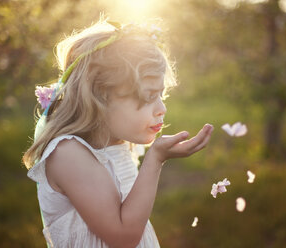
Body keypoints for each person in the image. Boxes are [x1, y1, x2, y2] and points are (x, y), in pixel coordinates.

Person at [22, 18, 213, 248]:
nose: (162, 109)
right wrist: (156, 158)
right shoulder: (68, 154)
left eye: (161, 95)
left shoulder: (117, 141)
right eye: (149, 96)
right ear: (100, 96)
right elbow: (123, 237)